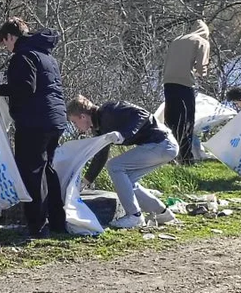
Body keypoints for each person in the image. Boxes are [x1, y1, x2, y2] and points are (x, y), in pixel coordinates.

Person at [0, 17, 67, 238]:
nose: (6, 48)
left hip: (34, 121)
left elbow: (24, 88)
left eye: (5, 43)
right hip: (56, 119)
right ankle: (59, 222)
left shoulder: (22, 56)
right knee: (48, 170)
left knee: (31, 172)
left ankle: (37, 226)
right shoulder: (46, 55)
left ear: (11, 37)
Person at [67, 94, 178, 230]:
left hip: (161, 143)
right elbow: (101, 156)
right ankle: (162, 213)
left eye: (74, 122)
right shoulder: (100, 128)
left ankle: (134, 216)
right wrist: (85, 182)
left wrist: (124, 134)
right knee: (127, 181)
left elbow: (142, 114)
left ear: (82, 117)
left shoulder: (110, 110)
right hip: (163, 146)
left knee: (115, 166)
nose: (75, 126)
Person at [162, 20, 210, 164]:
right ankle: (186, 158)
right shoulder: (202, 41)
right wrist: (200, 72)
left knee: (171, 120)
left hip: (168, 83)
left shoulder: (177, 40)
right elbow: (202, 69)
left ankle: (168, 155)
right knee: (186, 121)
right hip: (185, 84)